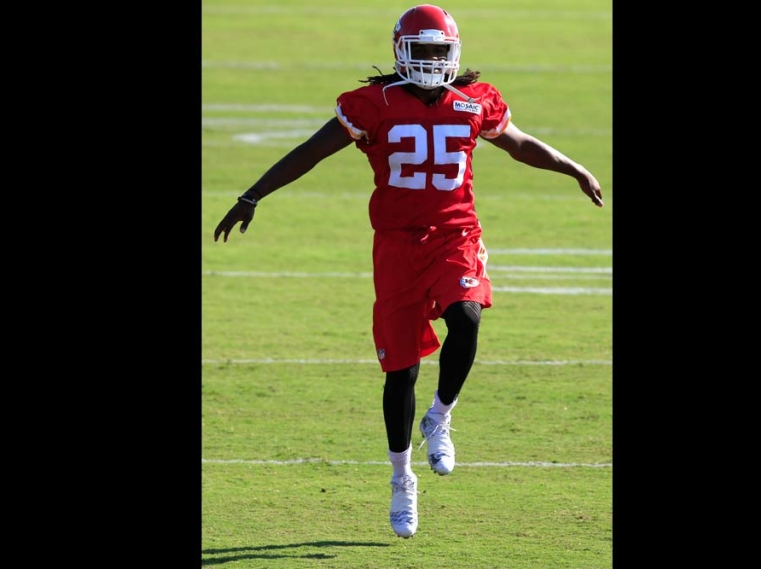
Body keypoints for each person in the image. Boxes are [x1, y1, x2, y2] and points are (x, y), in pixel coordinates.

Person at [213, 3, 604, 539]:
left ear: (454, 52)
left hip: (455, 235)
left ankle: (442, 416)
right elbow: (313, 151)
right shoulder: (373, 104)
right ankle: (402, 479)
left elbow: (519, 145)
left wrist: (571, 167)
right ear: (401, 51)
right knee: (401, 370)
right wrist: (252, 193)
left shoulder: (473, 100)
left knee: (466, 317)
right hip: (396, 247)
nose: (431, 60)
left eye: (439, 51)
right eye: (421, 51)